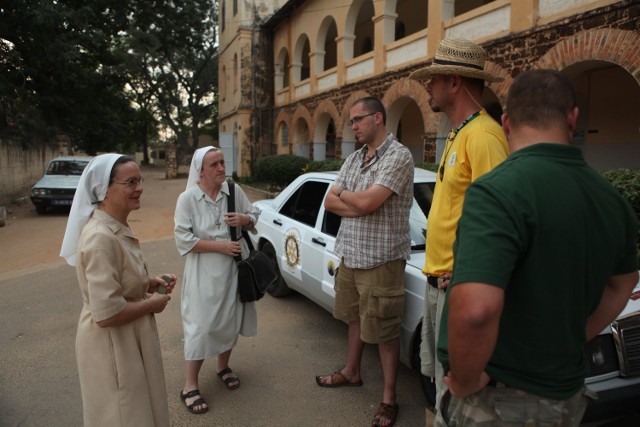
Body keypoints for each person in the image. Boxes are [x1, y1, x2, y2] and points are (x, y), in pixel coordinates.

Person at [436, 69, 639, 426]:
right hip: (568, 397)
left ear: (506, 122)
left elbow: (475, 310)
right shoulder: (612, 200)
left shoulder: (497, 190)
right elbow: (622, 284)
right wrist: (575, 336)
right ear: (573, 118)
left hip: (499, 402)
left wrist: (466, 380)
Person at [409, 38, 508, 416]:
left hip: (459, 289)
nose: (427, 87)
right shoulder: (459, 133)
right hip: (438, 283)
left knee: (460, 395)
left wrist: (469, 270)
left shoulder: (483, 136)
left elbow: (500, 218)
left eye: (433, 79)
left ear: (454, 82)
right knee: (441, 388)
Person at [316, 96, 414, 427]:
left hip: (381, 259)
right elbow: (329, 201)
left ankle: (389, 398)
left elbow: (371, 202)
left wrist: (354, 199)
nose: (353, 126)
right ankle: (352, 372)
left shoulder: (399, 157)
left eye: (358, 120)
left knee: (385, 330)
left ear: (378, 118)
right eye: (352, 122)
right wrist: (354, 201)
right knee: (354, 319)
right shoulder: (355, 158)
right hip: (351, 253)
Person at [60, 154, 175, 427]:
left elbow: (118, 282)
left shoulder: (116, 226)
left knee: (137, 409)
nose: (140, 188)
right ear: (104, 189)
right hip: (113, 343)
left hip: (127, 338)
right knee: (124, 414)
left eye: (140, 180)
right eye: (131, 182)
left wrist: (147, 284)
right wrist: (152, 304)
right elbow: (106, 314)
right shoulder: (100, 237)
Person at [174, 146, 260, 414]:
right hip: (203, 274)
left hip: (234, 271)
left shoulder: (233, 191)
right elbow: (183, 239)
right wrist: (221, 246)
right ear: (201, 170)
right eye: (215, 164)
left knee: (230, 319)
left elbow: (254, 216)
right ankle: (189, 386)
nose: (222, 168)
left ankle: (222, 367)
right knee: (200, 325)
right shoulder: (187, 199)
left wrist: (245, 219)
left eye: (223, 162)